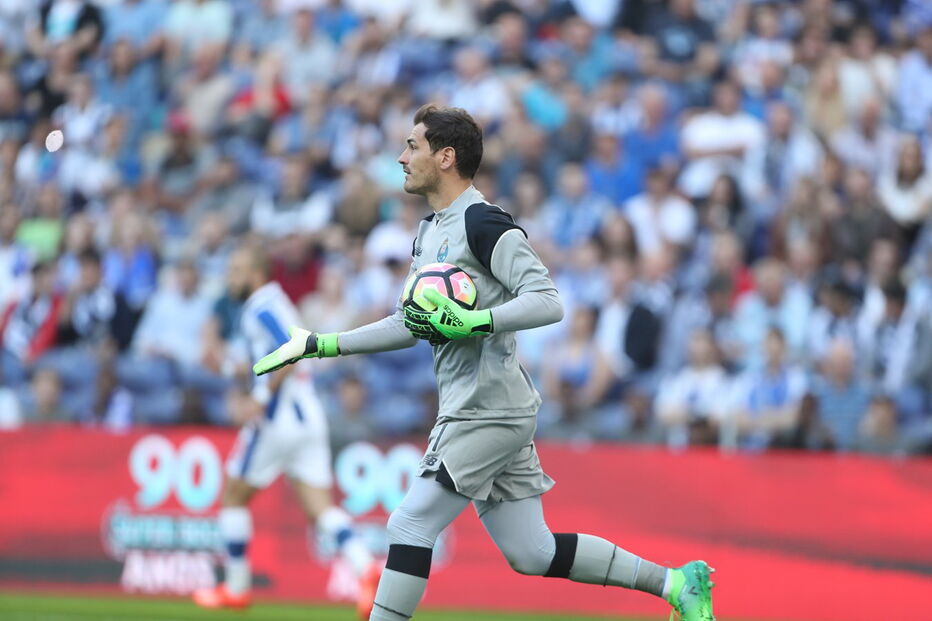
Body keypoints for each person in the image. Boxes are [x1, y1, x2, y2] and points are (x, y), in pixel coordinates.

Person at [252, 105, 715, 621]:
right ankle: (677, 583)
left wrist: (475, 323)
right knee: (532, 552)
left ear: (445, 157)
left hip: (487, 408)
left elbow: (547, 299)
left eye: (413, 147)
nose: (401, 158)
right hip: (482, 405)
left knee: (409, 525)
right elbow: (413, 323)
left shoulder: (482, 220)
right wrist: (320, 343)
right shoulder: (429, 231)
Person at [192, 242, 379, 617]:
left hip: (278, 420)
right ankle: (366, 568)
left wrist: (259, 399)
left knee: (232, 497)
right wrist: (226, 369)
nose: (231, 277)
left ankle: (236, 587)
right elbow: (268, 360)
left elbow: (290, 351)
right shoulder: (273, 304)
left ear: (256, 272)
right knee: (320, 509)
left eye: (237, 270)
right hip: (308, 417)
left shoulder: (260, 305)